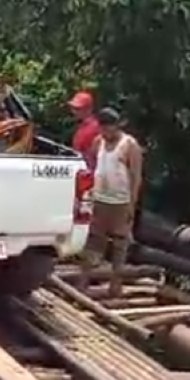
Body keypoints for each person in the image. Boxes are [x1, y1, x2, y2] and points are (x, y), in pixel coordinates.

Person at [80, 107, 143, 298]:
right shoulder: (98, 142)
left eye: (109, 129)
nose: (106, 133)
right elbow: (91, 161)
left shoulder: (129, 144)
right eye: (103, 129)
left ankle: (116, 282)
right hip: (100, 198)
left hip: (120, 201)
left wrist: (132, 203)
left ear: (116, 126)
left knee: (119, 243)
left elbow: (136, 176)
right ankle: (84, 280)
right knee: (93, 241)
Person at [68, 91, 101, 169]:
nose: (74, 112)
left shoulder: (95, 127)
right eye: (73, 108)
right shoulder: (81, 127)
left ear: (89, 109)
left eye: (78, 109)